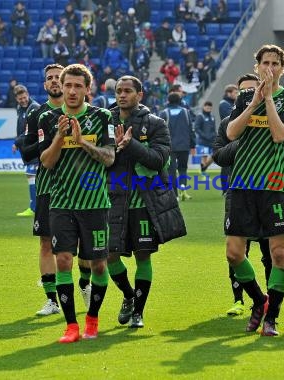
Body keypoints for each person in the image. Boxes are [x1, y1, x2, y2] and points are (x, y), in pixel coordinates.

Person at [225, 44, 284, 336]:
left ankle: (272, 319)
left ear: (283, 68)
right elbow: (231, 133)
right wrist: (255, 100)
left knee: (279, 254)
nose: (269, 68)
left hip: (273, 186)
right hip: (242, 185)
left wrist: (269, 99)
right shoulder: (244, 96)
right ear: (257, 67)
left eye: (275, 63)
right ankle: (259, 301)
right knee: (233, 253)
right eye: (265, 63)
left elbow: (281, 135)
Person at [39, 64, 115, 343]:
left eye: (77, 86)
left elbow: (109, 158)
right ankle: (71, 326)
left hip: (95, 203)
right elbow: (46, 162)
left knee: (97, 265)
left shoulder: (101, 116)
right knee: (63, 260)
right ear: (61, 85)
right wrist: (60, 136)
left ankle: (92, 320)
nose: (71, 91)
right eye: (67, 85)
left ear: (87, 89)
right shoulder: (48, 119)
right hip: (61, 202)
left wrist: (81, 141)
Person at [107, 75, 186, 328]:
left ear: (139, 95)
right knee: (109, 256)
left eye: (127, 91)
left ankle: (138, 312)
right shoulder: (104, 122)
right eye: (118, 91)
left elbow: (159, 159)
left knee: (143, 256)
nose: (121, 95)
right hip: (114, 200)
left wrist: (130, 146)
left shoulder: (156, 124)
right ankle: (129, 295)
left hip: (143, 202)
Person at [19, 64, 94, 316]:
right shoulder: (38, 115)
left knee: (84, 242)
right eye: (49, 78)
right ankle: (52, 299)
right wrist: (43, 144)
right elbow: (28, 153)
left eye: (57, 78)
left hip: (81, 186)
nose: (53, 82)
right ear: (46, 85)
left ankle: (84, 283)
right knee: (45, 243)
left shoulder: (88, 112)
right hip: (48, 186)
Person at [160, 92, 195, 201]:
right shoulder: (185, 112)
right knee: (183, 168)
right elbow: (191, 129)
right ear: (180, 101)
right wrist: (193, 145)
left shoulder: (164, 113)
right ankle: (183, 189)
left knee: (171, 170)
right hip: (184, 145)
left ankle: (175, 195)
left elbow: (160, 131)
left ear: (168, 101)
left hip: (170, 146)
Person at [12, 85, 39, 217]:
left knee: (31, 176)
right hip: (27, 149)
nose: (23, 100)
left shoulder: (33, 108)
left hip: (34, 148)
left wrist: (17, 142)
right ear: (16, 99)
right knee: (32, 177)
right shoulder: (21, 109)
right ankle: (36, 206)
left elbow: (30, 131)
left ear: (28, 94)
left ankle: (34, 207)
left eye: (24, 97)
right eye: (20, 98)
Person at [194, 101, 216, 175]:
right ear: (204, 107)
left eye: (210, 108)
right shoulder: (200, 116)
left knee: (215, 154)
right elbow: (196, 128)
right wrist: (204, 136)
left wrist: (215, 136)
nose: (208, 109)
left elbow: (214, 128)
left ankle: (204, 167)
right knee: (204, 156)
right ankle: (203, 172)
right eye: (207, 107)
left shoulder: (212, 117)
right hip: (203, 141)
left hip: (212, 140)